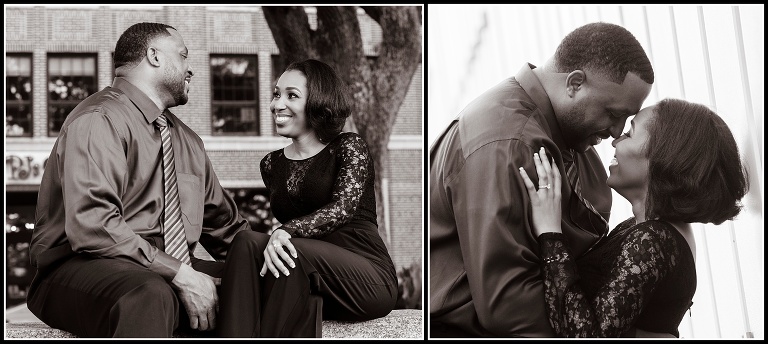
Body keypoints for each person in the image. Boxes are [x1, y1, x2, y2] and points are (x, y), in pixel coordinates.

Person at [429, 22, 654, 337]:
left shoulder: (571, 136)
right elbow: (507, 305)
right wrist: (614, 331)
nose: (617, 132)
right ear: (574, 84)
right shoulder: (508, 142)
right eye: (613, 114)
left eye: (627, 120)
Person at [27, 22, 250, 337]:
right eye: (184, 56)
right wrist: (181, 276)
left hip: (167, 264)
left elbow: (228, 229)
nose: (191, 69)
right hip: (79, 265)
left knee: (267, 283)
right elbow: (94, 227)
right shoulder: (99, 119)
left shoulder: (188, 141)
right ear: (154, 56)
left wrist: (278, 255)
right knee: (150, 292)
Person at [519, 98, 749, 337]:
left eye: (629, 133)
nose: (616, 140)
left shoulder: (653, 239)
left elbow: (587, 335)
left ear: (664, 156)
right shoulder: (648, 230)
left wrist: (550, 233)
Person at [217, 59, 398, 337]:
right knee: (247, 242)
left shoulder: (349, 147)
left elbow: (342, 209)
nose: (277, 104)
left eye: (292, 95)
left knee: (292, 249)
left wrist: (287, 230)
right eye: (277, 94)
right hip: (308, 276)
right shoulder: (270, 164)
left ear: (317, 102)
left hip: (365, 277)